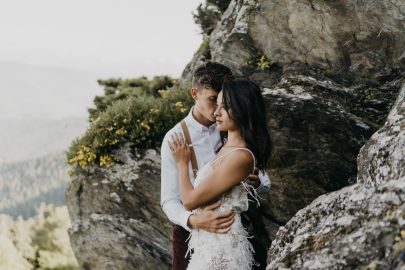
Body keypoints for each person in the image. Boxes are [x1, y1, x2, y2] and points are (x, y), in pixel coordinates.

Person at [160, 62, 271, 270]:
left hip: (235, 227)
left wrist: (257, 184)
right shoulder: (174, 139)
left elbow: (263, 178)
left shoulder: (236, 129)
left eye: (224, 103)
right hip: (190, 231)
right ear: (195, 93)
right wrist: (194, 220)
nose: (217, 110)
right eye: (213, 100)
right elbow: (168, 200)